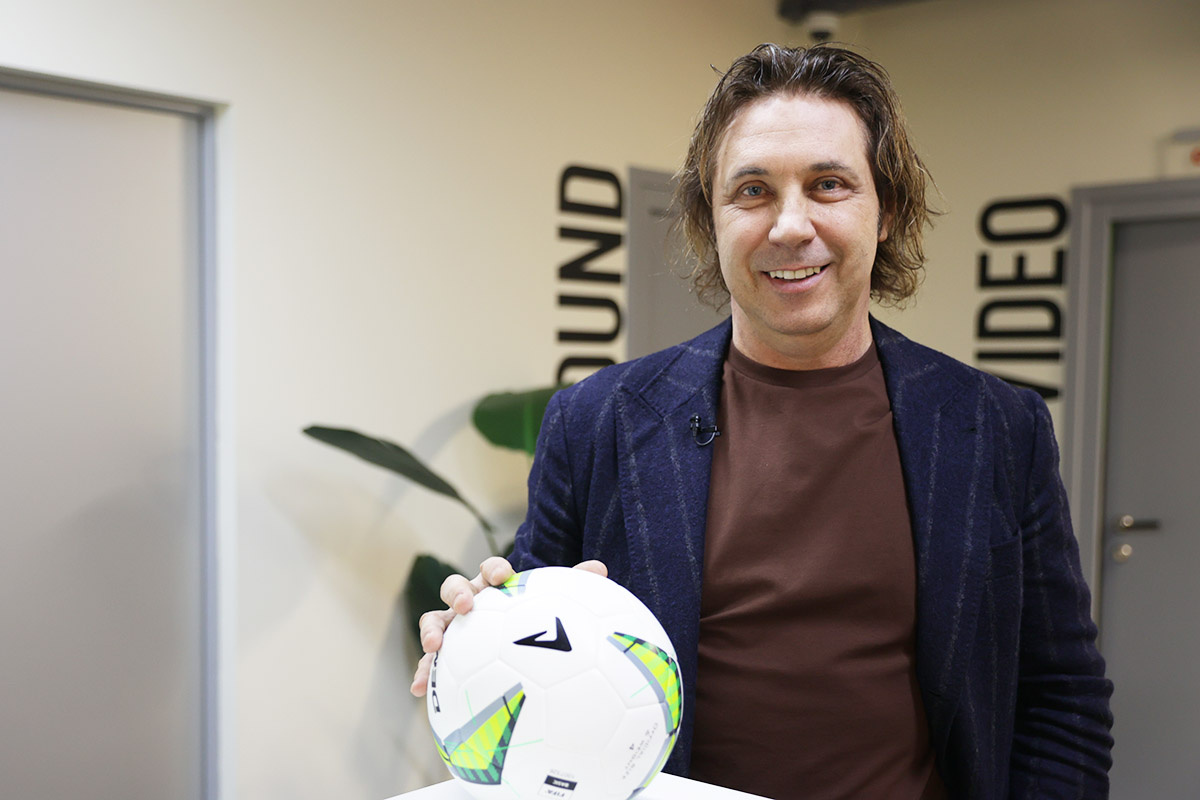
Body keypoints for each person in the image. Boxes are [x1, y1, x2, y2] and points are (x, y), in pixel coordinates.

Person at [412, 43, 1113, 799]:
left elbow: (1060, 699)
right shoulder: (596, 422)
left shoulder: (994, 425)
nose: (790, 226)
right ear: (710, 220)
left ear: (885, 212)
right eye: (752, 191)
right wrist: (479, 636)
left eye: (829, 184)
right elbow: (532, 675)